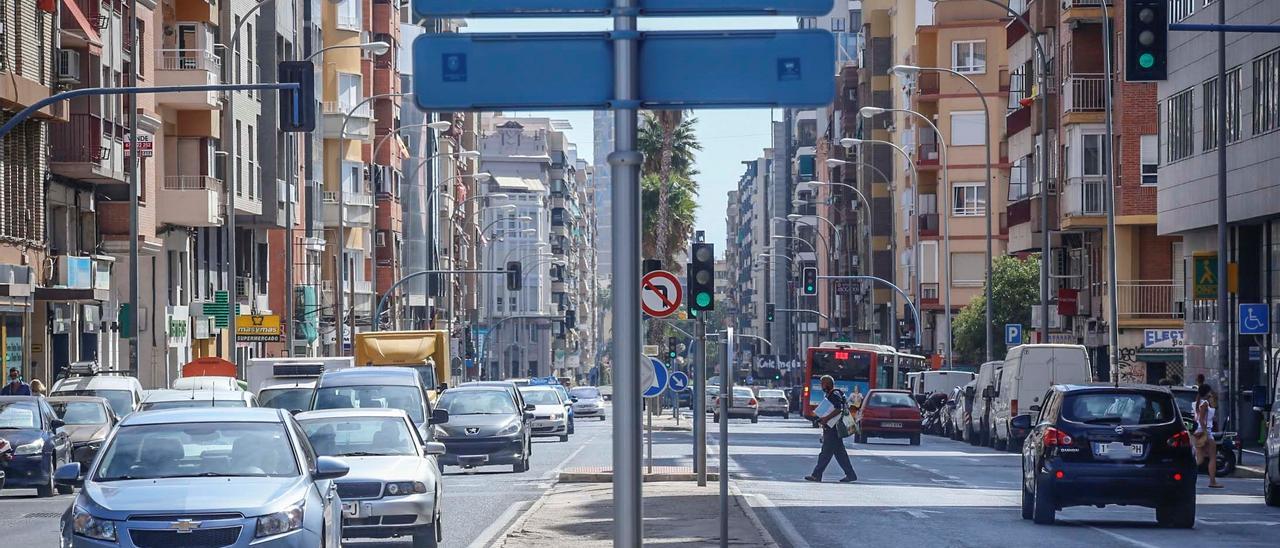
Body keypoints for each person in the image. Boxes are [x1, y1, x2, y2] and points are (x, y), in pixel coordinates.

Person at [805, 375, 857, 483]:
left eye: (822, 384)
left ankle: (816, 475)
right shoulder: (835, 394)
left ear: (827, 384)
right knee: (840, 454)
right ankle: (851, 475)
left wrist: (826, 418)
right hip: (833, 427)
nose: (821, 386)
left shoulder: (834, 394)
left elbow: (838, 409)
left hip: (833, 428)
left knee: (825, 453)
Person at [1193, 383, 1224, 488]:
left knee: (1200, 459)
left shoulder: (1197, 403)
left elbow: (1197, 419)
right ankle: (1212, 481)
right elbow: (1201, 419)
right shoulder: (1205, 403)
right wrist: (1206, 432)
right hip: (1206, 432)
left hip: (1198, 432)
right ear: (1207, 392)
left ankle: (1186, 473)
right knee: (1212, 457)